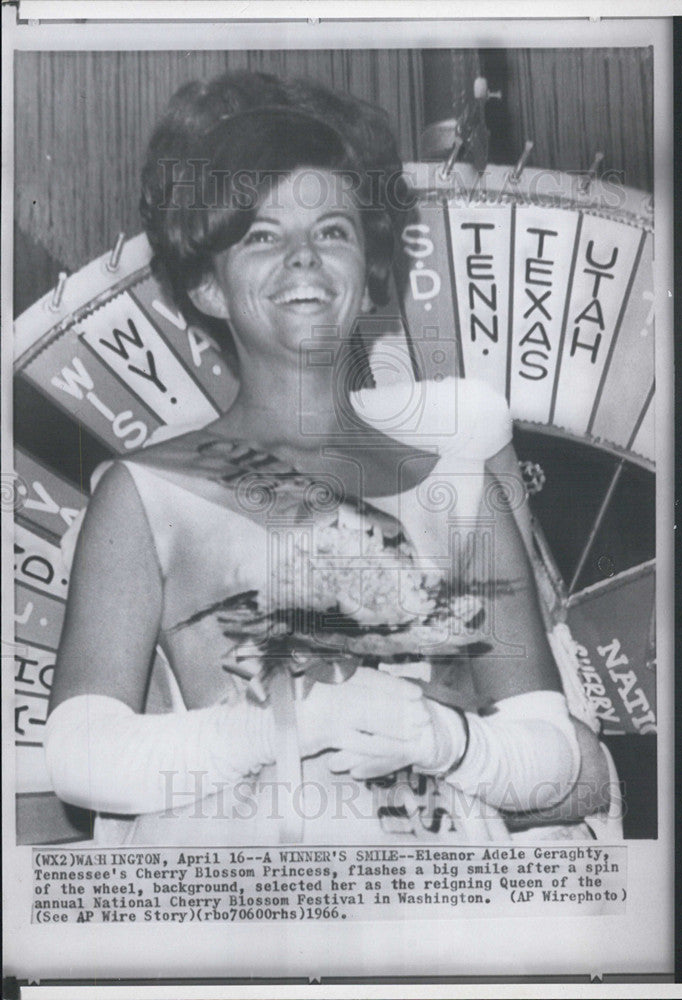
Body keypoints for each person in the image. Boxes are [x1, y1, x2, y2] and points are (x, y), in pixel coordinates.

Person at [44, 71, 612, 846]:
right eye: (262, 236)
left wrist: (446, 740)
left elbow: (554, 758)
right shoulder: (148, 494)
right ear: (210, 285)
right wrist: (279, 724)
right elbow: (80, 756)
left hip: (451, 921)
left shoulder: (459, 484)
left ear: (368, 267)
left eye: (332, 231)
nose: (304, 259)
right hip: (248, 914)